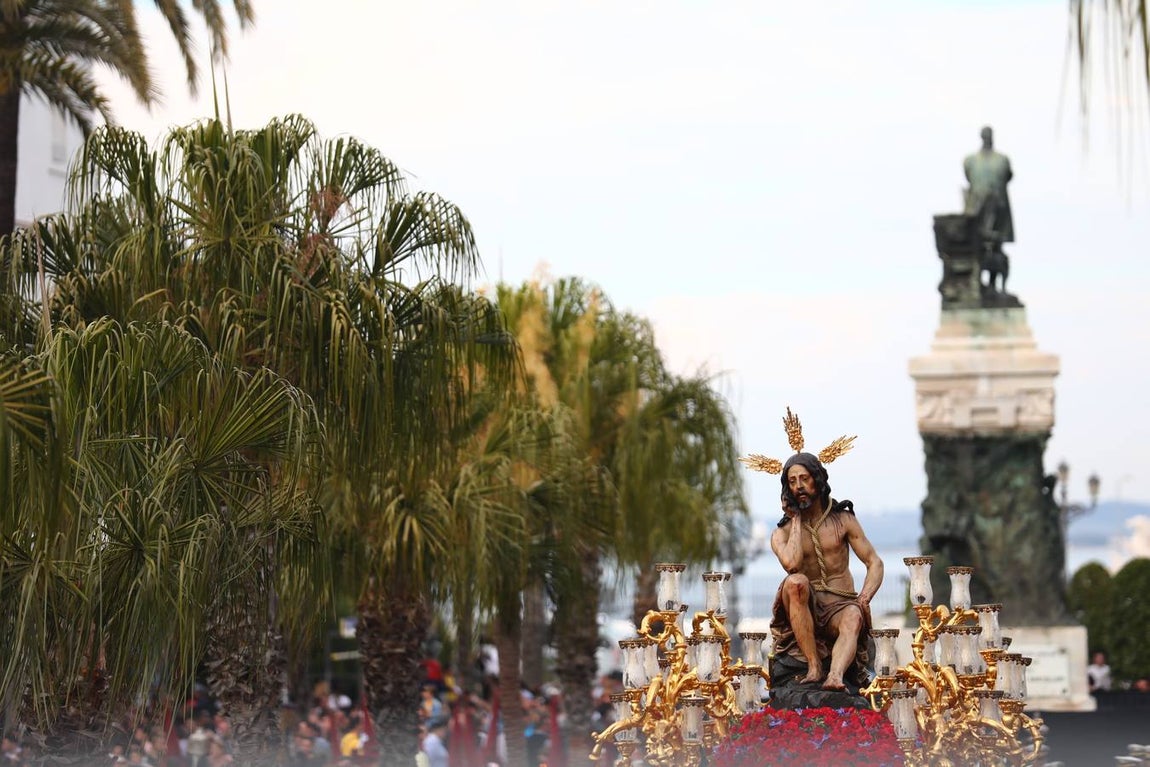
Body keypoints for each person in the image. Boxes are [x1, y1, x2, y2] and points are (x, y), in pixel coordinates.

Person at [769, 451, 884, 692]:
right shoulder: (783, 533)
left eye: (804, 478)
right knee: (796, 582)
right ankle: (813, 667)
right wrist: (797, 520)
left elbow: (874, 563)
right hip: (804, 606)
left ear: (818, 479)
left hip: (840, 607)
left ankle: (835, 676)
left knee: (853, 616)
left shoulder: (844, 520)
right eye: (792, 482)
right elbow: (791, 564)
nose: (799, 486)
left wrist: (862, 600)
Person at [963, 126, 1014, 293]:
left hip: (998, 210)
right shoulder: (970, 160)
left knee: (996, 248)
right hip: (977, 212)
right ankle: (978, 284)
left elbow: (1007, 176)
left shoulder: (1002, 160)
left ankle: (994, 285)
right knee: (977, 248)